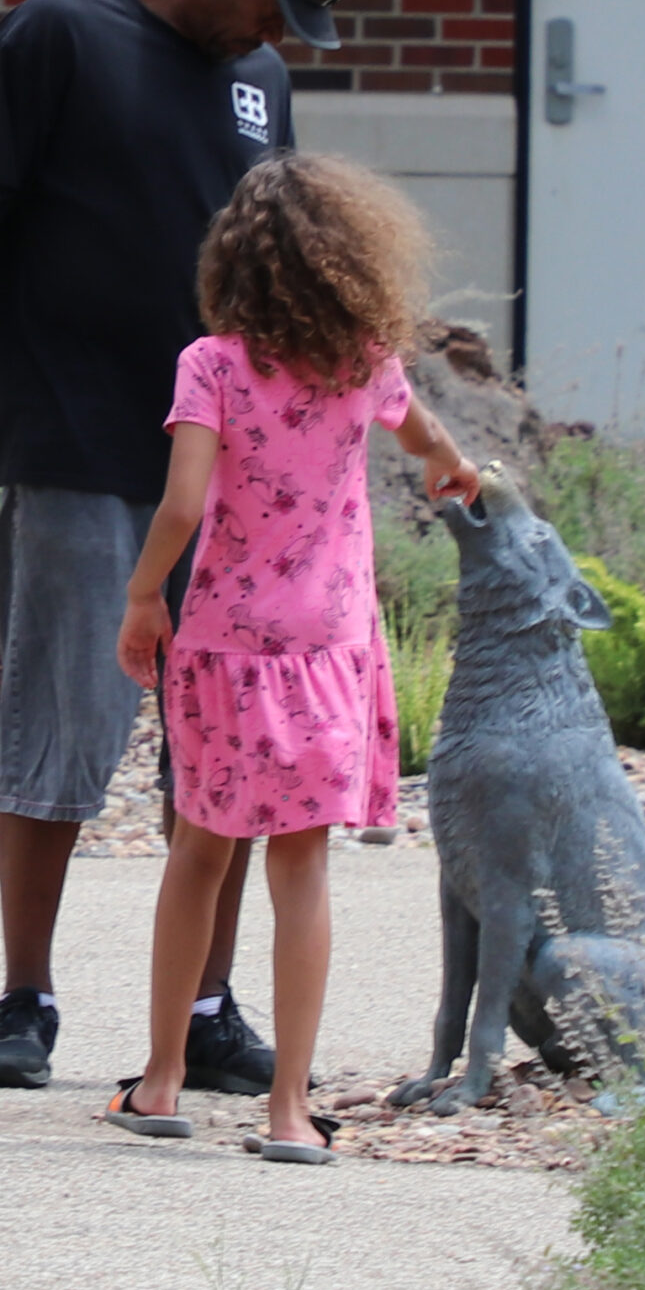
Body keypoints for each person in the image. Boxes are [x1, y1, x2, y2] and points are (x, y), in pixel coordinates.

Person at [0, 0, 357, 1095]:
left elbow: (279, 260)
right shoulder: (62, 31)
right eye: (274, 12)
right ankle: (24, 997)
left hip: (234, 469)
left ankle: (206, 1011)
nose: (277, 44)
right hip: (81, 439)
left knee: (222, 749)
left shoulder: (259, 84)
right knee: (60, 720)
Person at [110, 154, 480, 1159]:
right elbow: (428, 441)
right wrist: (461, 474)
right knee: (302, 870)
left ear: (235, 258)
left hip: (228, 647)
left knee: (199, 852)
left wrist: (145, 595)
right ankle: (286, 1112)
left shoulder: (214, 365)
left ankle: (161, 1079)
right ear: (352, 262)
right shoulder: (366, 360)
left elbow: (184, 502)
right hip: (330, 652)